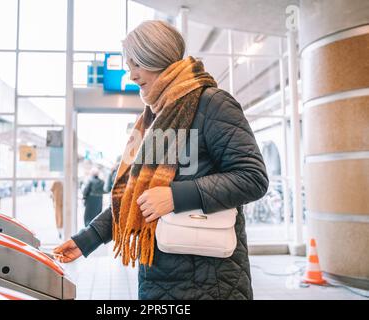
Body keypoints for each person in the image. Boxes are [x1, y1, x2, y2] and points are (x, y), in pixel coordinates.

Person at [54, 20, 268, 300]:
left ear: (154, 56)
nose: (131, 75)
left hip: (210, 279)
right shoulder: (156, 117)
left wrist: (176, 196)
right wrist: (88, 239)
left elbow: (252, 177)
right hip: (159, 271)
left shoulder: (212, 104)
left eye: (135, 64)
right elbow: (136, 196)